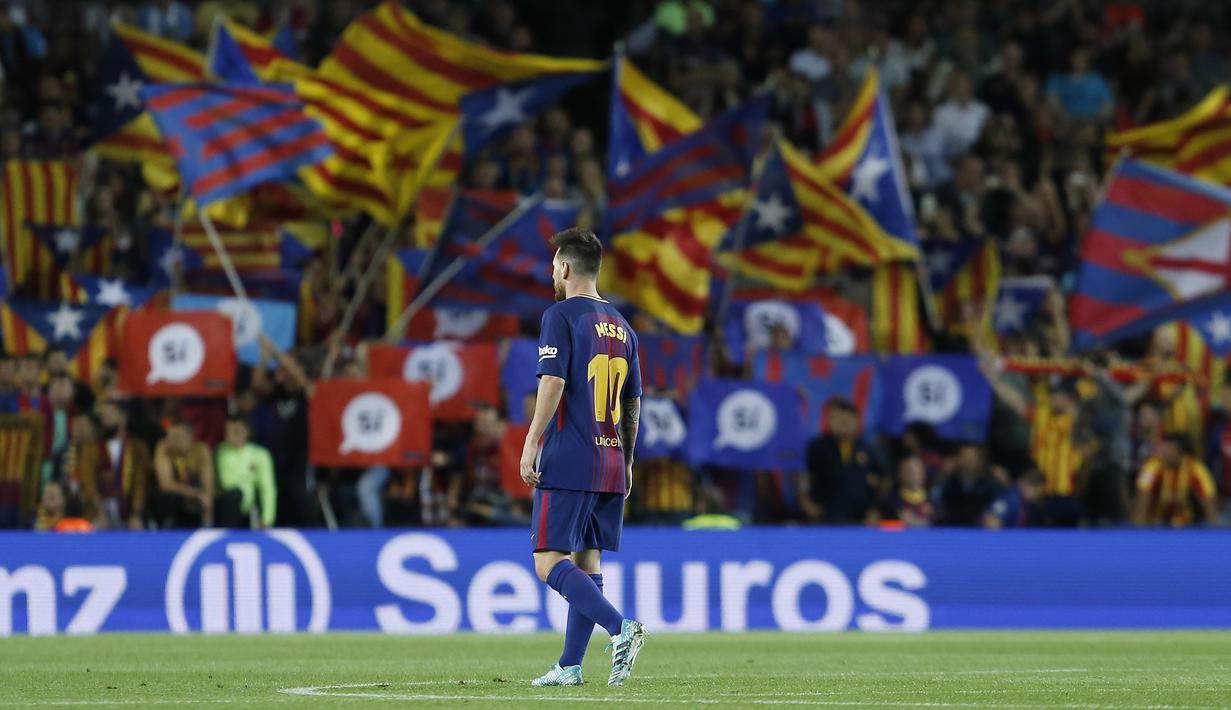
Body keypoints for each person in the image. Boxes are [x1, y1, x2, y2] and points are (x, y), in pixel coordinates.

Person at [518, 227, 647, 688]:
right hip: (611, 460)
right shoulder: (625, 328)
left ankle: (621, 629)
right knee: (587, 564)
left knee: (549, 561)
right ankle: (571, 665)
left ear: (566, 268)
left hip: (571, 455)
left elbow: (552, 381)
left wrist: (533, 440)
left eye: (554, 265)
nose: (552, 272)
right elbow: (632, 404)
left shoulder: (560, 315)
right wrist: (627, 460)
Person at [799, 397, 883, 525]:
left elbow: (884, 478)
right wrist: (806, 502)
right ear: (830, 421)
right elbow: (802, 475)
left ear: (856, 422)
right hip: (826, 515)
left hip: (860, 516)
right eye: (839, 419)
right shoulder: (817, 447)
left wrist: (876, 508)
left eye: (848, 419)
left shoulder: (866, 448)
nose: (844, 424)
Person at [1133, 433, 1219, 528]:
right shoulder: (1152, 465)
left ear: (1181, 452)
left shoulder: (1196, 467)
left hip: (1185, 526)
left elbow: (1209, 501)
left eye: (1170, 449)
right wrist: (1139, 531)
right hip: (1155, 525)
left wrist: (1214, 531)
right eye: (1165, 448)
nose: (1165, 452)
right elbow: (1142, 499)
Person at [214, 415, 276, 529]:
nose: (232, 434)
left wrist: (267, 518)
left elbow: (267, 487)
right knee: (234, 495)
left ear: (247, 431)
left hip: (250, 508)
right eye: (229, 430)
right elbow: (226, 482)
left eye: (236, 430)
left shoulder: (261, 454)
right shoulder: (222, 452)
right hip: (227, 506)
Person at [153, 417, 215, 528]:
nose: (174, 441)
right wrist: (196, 494)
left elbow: (208, 485)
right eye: (172, 437)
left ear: (191, 436)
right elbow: (166, 484)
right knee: (168, 498)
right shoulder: (164, 448)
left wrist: (207, 515)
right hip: (177, 502)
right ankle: (167, 531)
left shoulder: (201, 450)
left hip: (196, 505)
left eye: (179, 437)